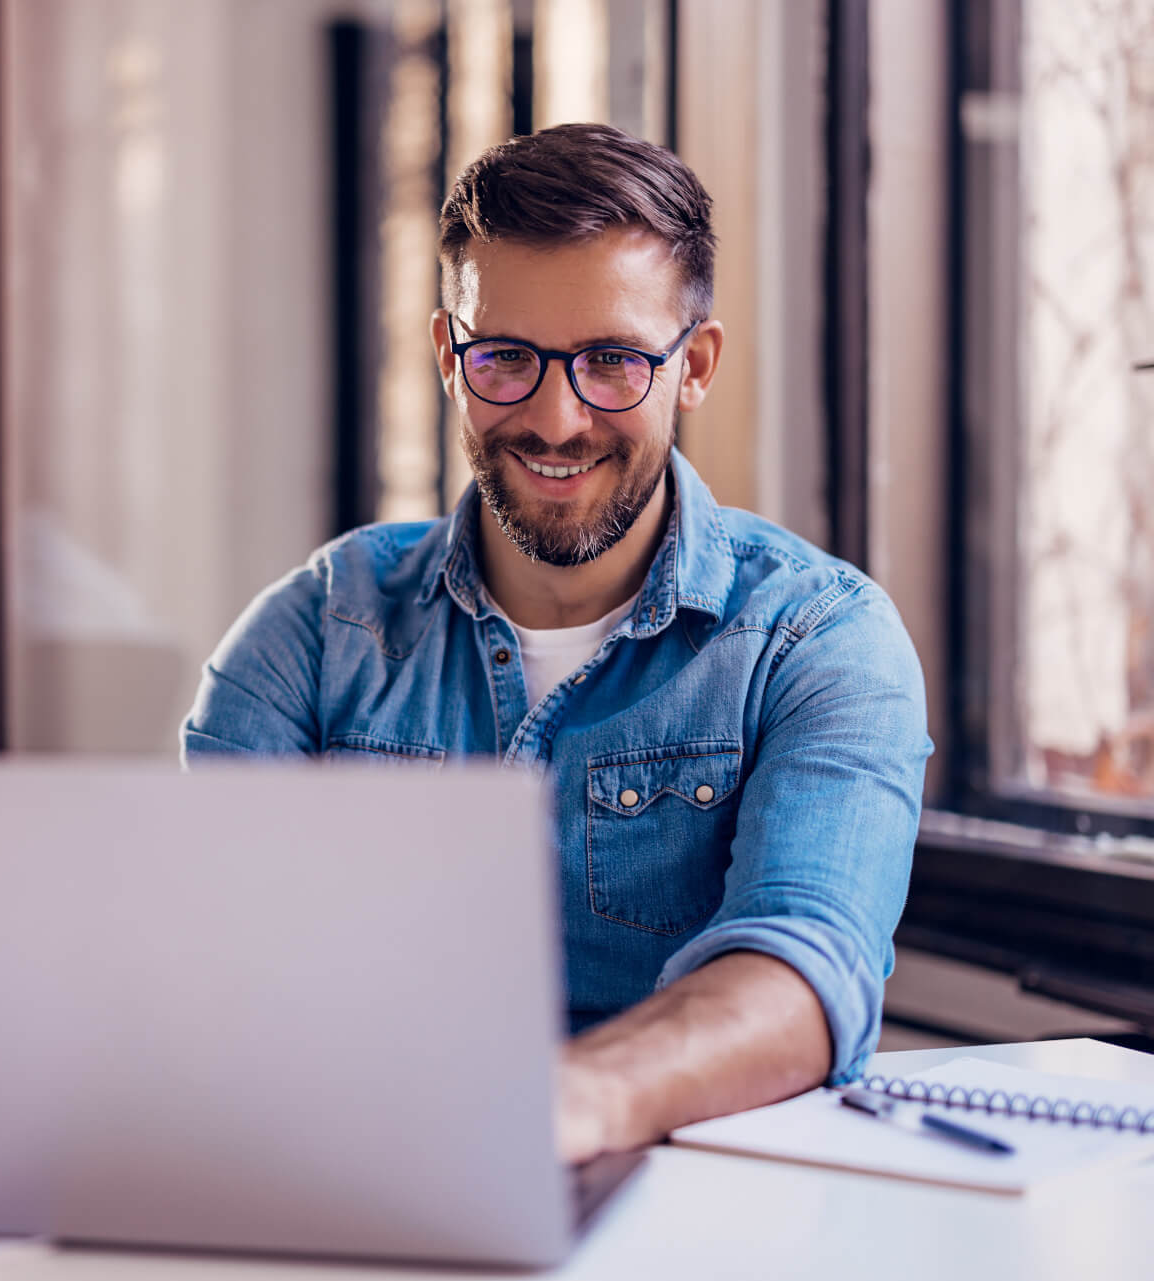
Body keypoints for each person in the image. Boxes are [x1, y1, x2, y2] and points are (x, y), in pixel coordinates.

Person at [182, 122, 930, 1163]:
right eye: (505, 359)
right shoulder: (315, 631)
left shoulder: (819, 640)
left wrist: (566, 1106)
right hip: (356, 1186)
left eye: (614, 361)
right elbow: (202, 957)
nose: (557, 417)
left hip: (690, 1216)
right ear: (450, 358)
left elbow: (807, 970)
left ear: (695, 365)